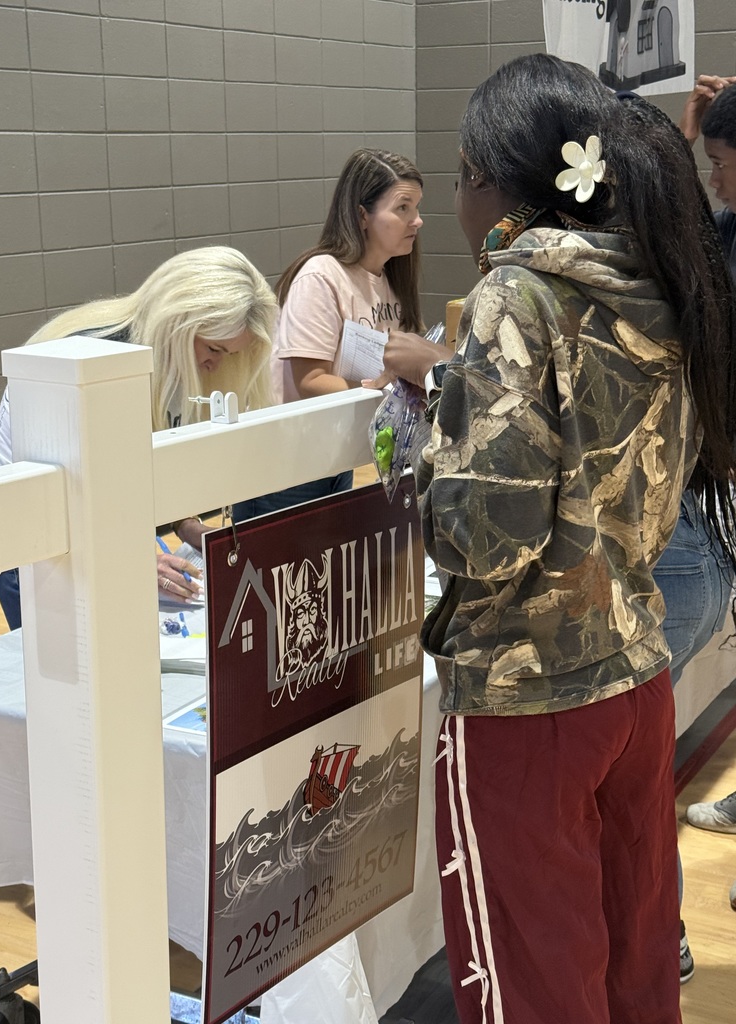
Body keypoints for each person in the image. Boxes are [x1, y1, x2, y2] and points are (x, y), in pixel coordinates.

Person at [368, 54, 736, 1024]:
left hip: (528, 698)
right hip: (634, 670)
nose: (451, 198)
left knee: (534, 981)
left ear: (497, 186)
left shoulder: (515, 297)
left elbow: (485, 536)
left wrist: (422, 484)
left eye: (457, 174)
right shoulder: (661, 289)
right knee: (634, 956)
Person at [0, 246, 277, 629]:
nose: (215, 365)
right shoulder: (90, 364)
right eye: (213, 348)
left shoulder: (168, 365)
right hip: (31, 541)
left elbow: (143, 464)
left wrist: (185, 524)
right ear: (178, 323)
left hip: (90, 529)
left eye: (229, 354)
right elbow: (69, 498)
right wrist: (133, 558)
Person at [233, 148, 426, 520]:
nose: (416, 221)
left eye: (417, 208)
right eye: (403, 208)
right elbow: (311, 381)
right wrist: (388, 392)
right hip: (288, 465)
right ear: (361, 215)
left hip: (336, 455)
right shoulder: (321, 276)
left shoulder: (390, 280)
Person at [671, 75, 736, 839]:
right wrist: (686, 142)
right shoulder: (724, 224)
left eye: (722, 160)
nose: (714, 177)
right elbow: (679, 235)